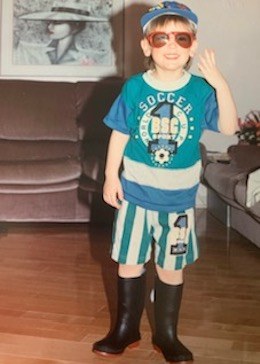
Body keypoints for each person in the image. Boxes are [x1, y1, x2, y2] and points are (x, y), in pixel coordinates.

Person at [93, 1, 238, 362]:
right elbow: (120, 134)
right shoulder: (134, 88)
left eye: (181, 37)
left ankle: (167, 334)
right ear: (146, 46)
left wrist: (220, 84)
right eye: (161, 38)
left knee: (171, 268)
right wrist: (112, 176)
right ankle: (125, 329)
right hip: (136, 196)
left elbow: (229, 128)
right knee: (129, 262)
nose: (172, 46)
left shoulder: (201, 89)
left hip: (178, 203)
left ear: (193, 44)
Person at [14, 0, 107, 65]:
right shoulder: (32, 53)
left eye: (57, 22)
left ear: (76, 26)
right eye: (49, 22)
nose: (50, 27)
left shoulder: (88, 58)